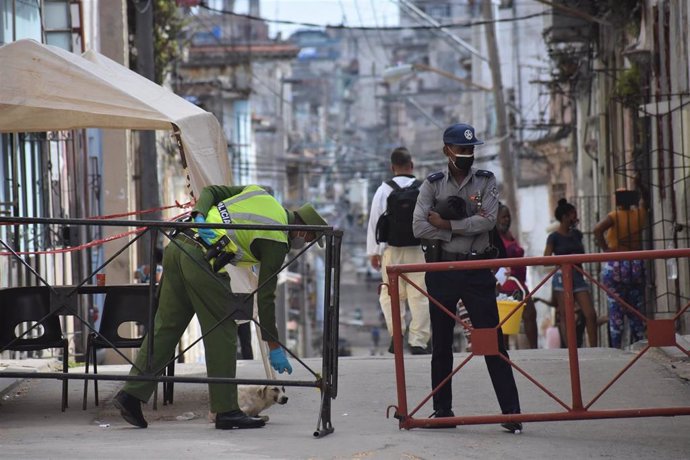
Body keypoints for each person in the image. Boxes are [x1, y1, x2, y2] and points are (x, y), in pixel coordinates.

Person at [113, 184, 327, 430]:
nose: (305, 244)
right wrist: (273, 345)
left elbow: (211, 192)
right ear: (301, 229)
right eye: (310, 239)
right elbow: (266, 297)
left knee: (166, 327)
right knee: (223, 330)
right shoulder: (278, 238)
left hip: (179, 245)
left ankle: (131, 394)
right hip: (202, 259)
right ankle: (226, 411)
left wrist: (199, 215)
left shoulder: (259, 193)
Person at [412, 122, 522, 433]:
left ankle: (511, 412)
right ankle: (442, 410)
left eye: (471, 150)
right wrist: (464, 225)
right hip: (442, 270)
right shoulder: (432, 185)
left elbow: (488, 222)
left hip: (476, 270)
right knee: (442, 344)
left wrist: (447, 225)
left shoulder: (486, 180)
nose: (467, 155)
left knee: (492, 341)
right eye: (461, 149)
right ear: (447, 151)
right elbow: (418, 227)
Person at [366, 147, 431, 355]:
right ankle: (418, 341)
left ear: (392, 167)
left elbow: (375, 222)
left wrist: (374, 252)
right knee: (419, 295)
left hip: (392, 252)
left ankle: (397, 335)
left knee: (390, 294)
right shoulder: (424, 188)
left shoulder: (384, 190)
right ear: (411, 166)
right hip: (418, 250)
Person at [592, 189, 647, 348]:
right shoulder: (640, 214)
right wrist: (639, 186)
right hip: (635, 264)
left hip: (616, 264)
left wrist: (606, 249)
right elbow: (645, 202)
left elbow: (597, 230)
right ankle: (638, 345)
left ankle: (616, 347)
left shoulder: (614, 216)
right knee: (635, 308)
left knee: (615, 309)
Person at [543, 198, 598, 347]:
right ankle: (570, 349)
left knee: (590, 314)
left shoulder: (577, 235)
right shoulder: (553, 237)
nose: (576, 218)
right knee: (566, 316)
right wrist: (561, 262)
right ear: (565, 217)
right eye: (573, 215)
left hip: (578, 276)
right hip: (562, 277)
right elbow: (545, 259)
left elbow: (582, 254)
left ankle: (594, 348)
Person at [496, 203, 538, 349]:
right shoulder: (495, 236)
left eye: (508, 217)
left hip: (520, 281)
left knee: (529, 314)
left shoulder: (509, 234)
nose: (506, 220)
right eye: (503, 217)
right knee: (506, 319)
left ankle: (534, 349)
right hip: (507, 281)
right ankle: (504, 351)